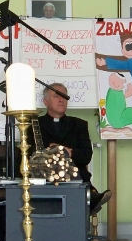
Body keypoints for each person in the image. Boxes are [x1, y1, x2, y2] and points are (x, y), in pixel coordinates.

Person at [33, 83, 111, 214]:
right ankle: (90, 198)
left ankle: (89, 197)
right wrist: (52, 152)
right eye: (56, 96)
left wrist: (70, 153)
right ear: (46, 101)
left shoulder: (79, 124)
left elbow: (86, 156)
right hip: (47, 175)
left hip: (76, 176)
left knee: (66, 158)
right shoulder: (35, 125)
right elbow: (31, 155)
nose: (61, 100)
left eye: (64, 96)